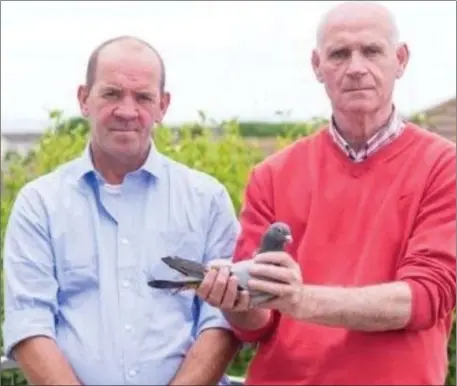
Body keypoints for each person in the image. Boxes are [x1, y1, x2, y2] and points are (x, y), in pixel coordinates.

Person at [196, 2, 456, 385]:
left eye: (371, 51)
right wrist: (235, 303)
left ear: (400, 60)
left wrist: (298, 299)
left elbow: (423, 298)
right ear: (317, 66)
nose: (355, 67)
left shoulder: (443, 166)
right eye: (339, 54)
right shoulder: (272, 174)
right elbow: (256, 324)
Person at [2, 36, 242, 385]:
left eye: (143, 97)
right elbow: (29, 320)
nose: (127, 111)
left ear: (163, 104)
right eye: (111, 93)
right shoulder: (39, 204)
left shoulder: (207, 199)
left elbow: (224, 317)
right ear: (84, 99)